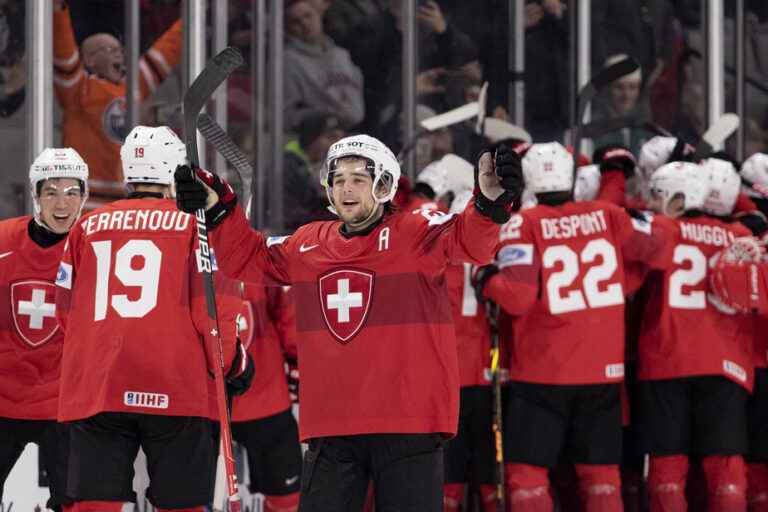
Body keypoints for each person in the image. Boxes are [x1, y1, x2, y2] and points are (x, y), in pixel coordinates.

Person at [173, 134, 524, 510]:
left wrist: (489, 204)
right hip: (332, 427)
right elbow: (248, 256)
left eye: (358, 178)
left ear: (384, 185)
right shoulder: (308, 243)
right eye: (338, 179)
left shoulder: (417, 231)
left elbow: (470, 241)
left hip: (408, 423)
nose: (346, 188)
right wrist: (220, 209)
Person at [55, 126, 252, 511]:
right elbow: (213, 314)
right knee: (181, 504)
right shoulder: (197, 226)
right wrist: (233, 365)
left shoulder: (86, 227)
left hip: (100, 385)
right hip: (176, 385)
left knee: (94, 503)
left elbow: (65, 312)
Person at [473, 141, 668, 511]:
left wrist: (486, 279)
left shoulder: (524, 224)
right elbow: (657, 250)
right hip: (603, 374)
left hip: (544, 374)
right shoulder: (608, 215)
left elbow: (517, 298)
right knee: (601, 478)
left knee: (527, 478)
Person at [636, 161, 753, 511]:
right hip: (726, 363)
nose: (652, 203)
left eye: (657, 195)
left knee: (667, 470)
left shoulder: (663, 231)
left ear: (679, 197)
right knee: (726, 469)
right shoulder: (742, 237)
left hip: (667, 360)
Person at [0, 147, 89, 511]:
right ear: (35, 196)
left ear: (85, 196)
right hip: (4, 400)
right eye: (51, 191)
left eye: (72, 191)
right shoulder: (3, 242)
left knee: (75, 504)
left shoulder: (97, 249)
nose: (62, 202)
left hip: (64, 407)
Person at [53, 0, 182, 210]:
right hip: (87, 201)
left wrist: (198, 13)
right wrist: (58, 11)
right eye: (108, 49)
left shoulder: (133, 85)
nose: (118, 54)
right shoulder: (79, 89)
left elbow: (168, 48)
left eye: (118, 49)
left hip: (125, 201)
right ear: (89, 60)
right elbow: (63, 50)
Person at [230, 283, 302, 512]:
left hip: (207, 407)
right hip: (265, 399)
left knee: (188, 498)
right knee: (286, 500)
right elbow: (290, 318)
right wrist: (298, 365)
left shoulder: (187, 249)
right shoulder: (260, 252)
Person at [284, 0, 365, 130]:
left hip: (351, 134)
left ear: (319, 15)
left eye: (307, 16)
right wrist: (325, 116)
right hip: (317, 139)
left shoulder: (341, 55)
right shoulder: (288, 61)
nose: (304, 24)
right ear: (288, 29)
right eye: (296, 22)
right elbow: (286, 115)